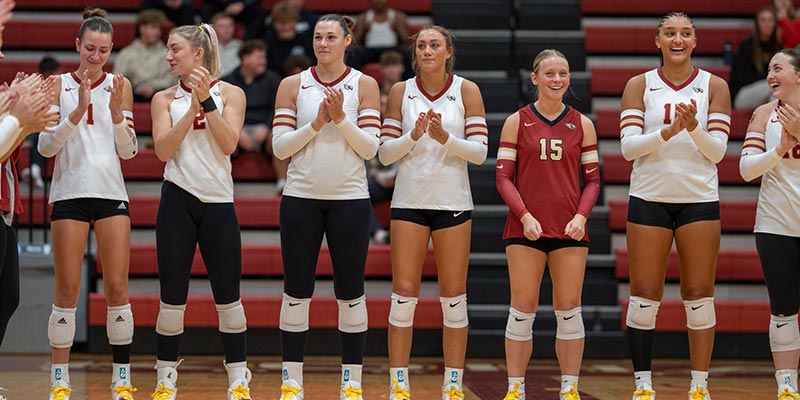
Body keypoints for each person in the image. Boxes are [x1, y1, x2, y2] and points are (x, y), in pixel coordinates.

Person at [618, 12, 731, 400]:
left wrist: (694, 127)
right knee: (644, 294)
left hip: (699, 199)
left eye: (685, 33)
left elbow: (717, 153)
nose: (677, 39)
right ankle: (643, 384)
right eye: (670, 33)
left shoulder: (714, 86)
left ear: (695, 41)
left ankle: (699, 385)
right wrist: (668, 131)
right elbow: (628, 147)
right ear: (658, 41)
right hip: (649, 197)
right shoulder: (639, 85)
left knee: (699, 294)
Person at [271, 13, 380, 400]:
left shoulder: (364, 84)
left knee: (350, 290)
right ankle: (291, 380)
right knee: (296, 290)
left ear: (348, 40)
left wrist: (341, 121)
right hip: (300, 198)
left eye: (331, 37)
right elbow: (280, 147)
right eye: (318, 36)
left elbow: (372, 149)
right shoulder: (292, 84)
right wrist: (317, 123)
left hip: (350, 200)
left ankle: (351, 381)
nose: (323, 43)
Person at [378, 25, 488, 400]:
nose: (427, 50)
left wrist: (445, 139)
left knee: (454, 297)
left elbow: (479, 152)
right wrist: (412, 136)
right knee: (403, 296)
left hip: (453, 203)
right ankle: (399, 384)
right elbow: (384, 154)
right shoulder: (400, 91)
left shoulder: (466, 91)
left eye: (434, 45)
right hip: (408, 202)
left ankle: (453, 385)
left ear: (448, 52)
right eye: (421, 45)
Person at [36, 7, 139, 400]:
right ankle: (59, 379)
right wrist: (76, 113)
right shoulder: (57, 85)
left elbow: (129, 152)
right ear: (77, 45)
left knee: (117, 287)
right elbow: (45, 147)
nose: (95, 57)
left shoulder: (120, 84)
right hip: (69, 194)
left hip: (111, 193)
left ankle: (122, 377)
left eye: (103, 50)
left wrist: (115, 117)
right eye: (89, 49)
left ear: (111, 50)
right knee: (67, 289)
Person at [149, 23, 251, 400]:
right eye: (168, 49)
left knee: (229, 298)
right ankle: (165, 379)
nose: (168, 56)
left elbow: (228, 145)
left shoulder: (232, 94)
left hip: (219, 203)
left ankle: (239, 379)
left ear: (198, 54)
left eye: (174, 49)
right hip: (177, 200)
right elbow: (162, 150)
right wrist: (188, 108)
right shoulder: (163, 99)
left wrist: (206, 102)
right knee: (172, 298)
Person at [495, 49, 599, 400]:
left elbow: (594, 182)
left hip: (570, 227)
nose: (557, 80)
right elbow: (504, 178)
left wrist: (581, 217)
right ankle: (515, 388)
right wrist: (524, 216)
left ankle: (569, 388)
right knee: (522, 308)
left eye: (563, 74)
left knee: (569, 310)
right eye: (550, 74)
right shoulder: (516, 121)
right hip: (525, 229)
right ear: (535, 78)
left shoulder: (582, 123)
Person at [740, 48, 800, 400]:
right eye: (769, 69)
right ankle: (787, 384)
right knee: (783, 306)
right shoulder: (764, 113)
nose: (771, 75)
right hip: (776, 223)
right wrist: (779, 150)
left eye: (779, 68)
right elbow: (747, 170)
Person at [221, 39, 284, 189]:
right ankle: (221, 182)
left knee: (280, 137)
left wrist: (267, 127)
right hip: (238, 128)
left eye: (264, 58)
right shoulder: (227, 81)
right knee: (221, 138)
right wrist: (238, 130)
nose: (263, 62)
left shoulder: (273, 80)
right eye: (259, 58)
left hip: (265, 128)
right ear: (245, 58)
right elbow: (221, 111)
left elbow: (278, 108)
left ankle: (283, 182)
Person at [113, 9, 175, 101]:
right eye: (153, 27)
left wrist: (153, 86)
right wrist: (135, 87)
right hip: (133, 97)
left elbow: (172, 78)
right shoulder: (127, 53)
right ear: (142, 28)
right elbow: (118, 78)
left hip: (161, 97)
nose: (157, 32)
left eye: (159, 28)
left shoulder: (167, 54)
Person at [730, 6, 783, 110]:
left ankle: (774, 125)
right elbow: (742, 77)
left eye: (770, 20)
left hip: (768, 94)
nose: (767, 24)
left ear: (775, 23)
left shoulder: (778, 47)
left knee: (776, 93)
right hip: (743, 96)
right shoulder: (747, 45)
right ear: (757, 23)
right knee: (774, 85)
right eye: (763, 20)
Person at [22, 55, 62, 189]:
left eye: (56, 72)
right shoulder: (35, 89)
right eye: (51, 73)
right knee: (41, 131)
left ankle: (34, 169)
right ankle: (34, 169)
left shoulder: (63, 87)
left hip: (55, 125)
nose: (55, 75)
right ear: (44, 73)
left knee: (45, 130)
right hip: (35, 127)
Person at [350, 0, 412, 80]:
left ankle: (407, 84)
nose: (379, 2)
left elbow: (406, 41)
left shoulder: (398, 16)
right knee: (354, 53)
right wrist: (363, 30)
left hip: (391, 49)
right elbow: (355, 42)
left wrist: (398, 29)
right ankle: (354, 84)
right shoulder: (363, 17)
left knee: (408, 52)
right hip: (371, 50)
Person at [265, 2, 315, 78]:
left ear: (296, 22)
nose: (286, 27)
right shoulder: (269, 44)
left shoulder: (306, 41)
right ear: (274, 24)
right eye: (282, 23)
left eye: (289, 22)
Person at [201, 0, 266, 40]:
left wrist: (243, 4)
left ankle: (247, 43)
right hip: (218, 5)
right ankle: (209, 39)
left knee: (259, 11)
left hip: (240, 5)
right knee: (206, 9)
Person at [213, 13, 242, 77]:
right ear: (214, 29)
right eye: (221, 26)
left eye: (230, 26)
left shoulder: (242, 47)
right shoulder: (209, 48)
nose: (226, 30)